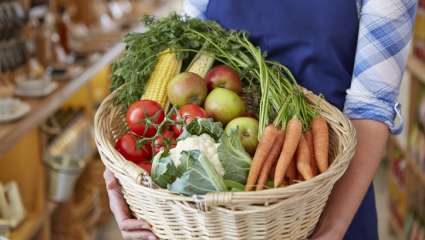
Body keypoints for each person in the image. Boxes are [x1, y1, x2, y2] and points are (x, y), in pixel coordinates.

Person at [104, 0, 417, 239]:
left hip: (332, 194)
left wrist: (332, 228)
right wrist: (120, 186)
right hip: (210, 215)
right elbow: (180, 65)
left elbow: (371, 107)